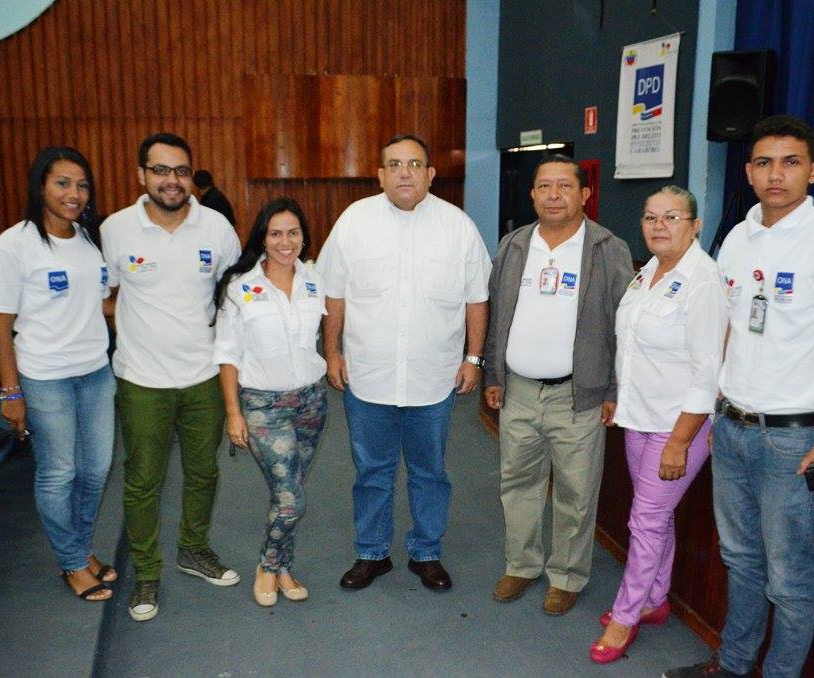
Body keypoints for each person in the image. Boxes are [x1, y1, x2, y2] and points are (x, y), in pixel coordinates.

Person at [664, 115, 814, 678]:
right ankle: (734, 665)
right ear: (748, 171)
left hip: (799, 438)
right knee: (741, 559)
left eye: (789, 162)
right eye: (764, 162)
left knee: (789, 576)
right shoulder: (738, 236)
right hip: (732, 426)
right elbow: (731, 329)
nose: (776, 174)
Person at [317, 134, 491, 591]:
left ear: (431, 174)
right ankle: (372, 553)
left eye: (415, 164)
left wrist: (473, 357)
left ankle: (426, 552)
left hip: (433, 379)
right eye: (394, 164)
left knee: (429, 472)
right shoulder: (354, 221)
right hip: (368, 377)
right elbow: (333, 293)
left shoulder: (458, 227)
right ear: (380, 174)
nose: (405, 173)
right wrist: (332, 352)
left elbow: (477, 298)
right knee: (371, 472)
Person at [101, 132, 243, 622]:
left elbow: (230, 290)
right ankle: (146, 572)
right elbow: (104, 294)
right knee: (143, 481)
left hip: (203, 376)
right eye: (160, 170)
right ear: (141, 175)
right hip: (141, 380)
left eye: (181, 170)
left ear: (191, 175)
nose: (172, 180)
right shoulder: (116, 230)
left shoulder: (217, 227)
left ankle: (193, 549)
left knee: (203, 472)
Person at [483, 154, 633, 615]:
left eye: (564, 186)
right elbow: (496, 315)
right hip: (520, 391)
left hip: (578, 394)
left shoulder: (608, 249)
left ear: (584, 194)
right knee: (518, 482)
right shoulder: (513, 245)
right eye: (544, 186)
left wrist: (611, 390)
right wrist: (494, 374)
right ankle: (522, 565)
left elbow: (623, 326)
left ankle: (567, 575)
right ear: (532, 194)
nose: (553, 195)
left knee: (575, 489)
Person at [589, 186, 727, 663]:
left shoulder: (704, 281)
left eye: (671, 217)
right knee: (655, 517)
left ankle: (626, 617)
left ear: (696, 224)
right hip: (639, 417)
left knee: (644, 520)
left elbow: (708, 372)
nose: (659, 226)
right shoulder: (648, 272)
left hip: (680, 427)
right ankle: (654, 600)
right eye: (651, 217)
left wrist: (680, 441)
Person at [0, 146, 116, 602]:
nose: (73, 193)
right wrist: (11, 390)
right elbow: (1, 322)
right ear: (41, 186)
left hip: (96, 372)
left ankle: (80, 548)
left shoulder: (88, 239)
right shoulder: (13, 244)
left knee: (96, 469)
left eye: (81, 185)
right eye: (62, 183)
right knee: (60, 472)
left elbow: (101, 303)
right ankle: (72, 562)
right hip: (45, 378)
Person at [213, 197, 328, 607]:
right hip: (263, 406)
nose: (285, 241)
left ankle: (282, 567)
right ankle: (267, 565)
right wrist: (233, 413)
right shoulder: (240, 286)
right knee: (290, 498)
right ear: (263, 236)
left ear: (303, 236)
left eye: (293, 232)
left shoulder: (315, 279)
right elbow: (227, 354)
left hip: (312, 402)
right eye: (276, 232)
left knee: (289, 491)